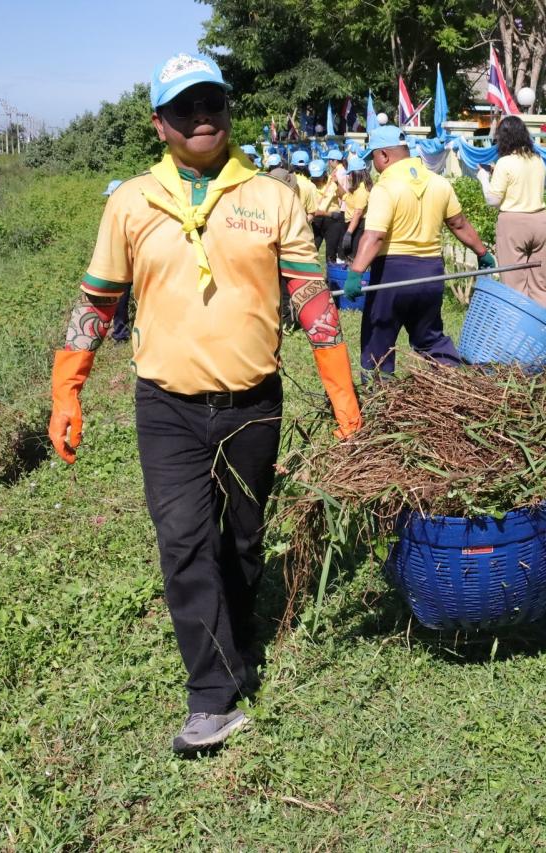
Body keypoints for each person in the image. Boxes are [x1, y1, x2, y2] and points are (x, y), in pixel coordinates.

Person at [46, 52, 362, 755]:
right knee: (184, 540)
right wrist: (67, 389)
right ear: (159, 122)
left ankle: (238, 642)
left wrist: (343, 395)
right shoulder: (131, 202)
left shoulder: (273, 197)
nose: (202, 118)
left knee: (241, 540)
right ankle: (212, 698)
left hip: (253, 402)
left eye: (212, 103)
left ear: (227, 111)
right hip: (168, 407)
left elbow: (311, 297)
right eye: (185, 108)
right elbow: (99, 301)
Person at [344, 125, 494, 375]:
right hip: (431, 272)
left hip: (393, 274)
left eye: (374, 159)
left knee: (378, 337)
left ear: (384, 156)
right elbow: (459, 223)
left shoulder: (385, 187)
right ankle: (452, 383)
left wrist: (356, 272)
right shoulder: (439, 182)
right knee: (430, 336)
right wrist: (482, 253)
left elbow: (375, 235)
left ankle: (379, 397)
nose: (374, 166)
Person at [478, 115, 546, 308]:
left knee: (514, 284)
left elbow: (493, 200)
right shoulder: (537, 160)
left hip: (513, 224)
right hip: (540, 221)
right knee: (540, 283)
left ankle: (519, 331)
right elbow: (521, 181)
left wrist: (484, 178)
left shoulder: (505, 163)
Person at [102, 180, 133, 344]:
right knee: (120, 301)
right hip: (122, 263)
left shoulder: (135, 210)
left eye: (111, 196)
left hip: (137, 262)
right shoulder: (111, 214)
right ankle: (121, 335)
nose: (109, 200)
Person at [310, 158, 346, 264]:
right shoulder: (309, 185)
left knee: (331, 252)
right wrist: (327, 213)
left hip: (332, 222)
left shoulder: (332, 181)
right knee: (312, 249)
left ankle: (331, 278)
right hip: (317, 219)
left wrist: (337, 183)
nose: (316, 180)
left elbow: (344, 196)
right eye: (314, 177)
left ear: (324, 174)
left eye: (319, 177)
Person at [339, 154, 371, 260]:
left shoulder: (361, 191)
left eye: (350, 174)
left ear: (356, 174)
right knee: (349, 255)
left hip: (358, 226)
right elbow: (345, 197)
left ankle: (354, 276)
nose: (349, 177)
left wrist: (349, 233)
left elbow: (358, 213)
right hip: (353, 224)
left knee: (354, 256)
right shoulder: (356, 189)